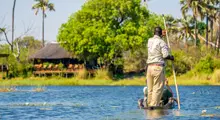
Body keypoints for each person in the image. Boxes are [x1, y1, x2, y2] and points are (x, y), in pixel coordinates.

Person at [146, 26, 174, 108]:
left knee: (150, 90)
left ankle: (148, 107)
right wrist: (171, 57)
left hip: (149, 68)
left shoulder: (149, 41)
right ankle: (153, 108)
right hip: (157, 67)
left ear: (154, 33)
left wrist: (162, 36)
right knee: (157, 90)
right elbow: (165, 55)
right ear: (161, 33)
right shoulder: (161, 42)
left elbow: (156, 45)